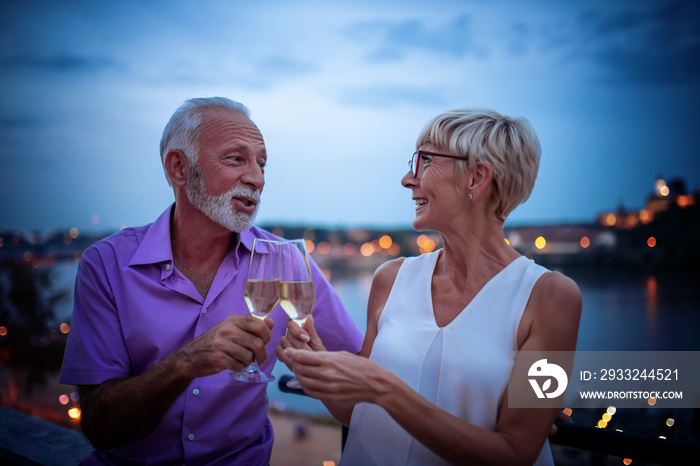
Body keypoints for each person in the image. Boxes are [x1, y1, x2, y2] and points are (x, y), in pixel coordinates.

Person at [59, 97, 363, 465]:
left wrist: (322, 370)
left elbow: (362, 367)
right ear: (179, 169)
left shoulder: (286, 260)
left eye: (262, 163)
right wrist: (186, 363)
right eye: (237, 159)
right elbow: (97, 426)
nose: (257, 178)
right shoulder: (106, 265)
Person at [280, 108, 582, 465]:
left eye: (425, 160)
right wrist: (318, 367)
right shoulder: (390, 279)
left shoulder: (551, 299)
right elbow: (360, 413)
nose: (409, 179)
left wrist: (383, 387)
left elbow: (515, 453)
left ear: (476, 178)